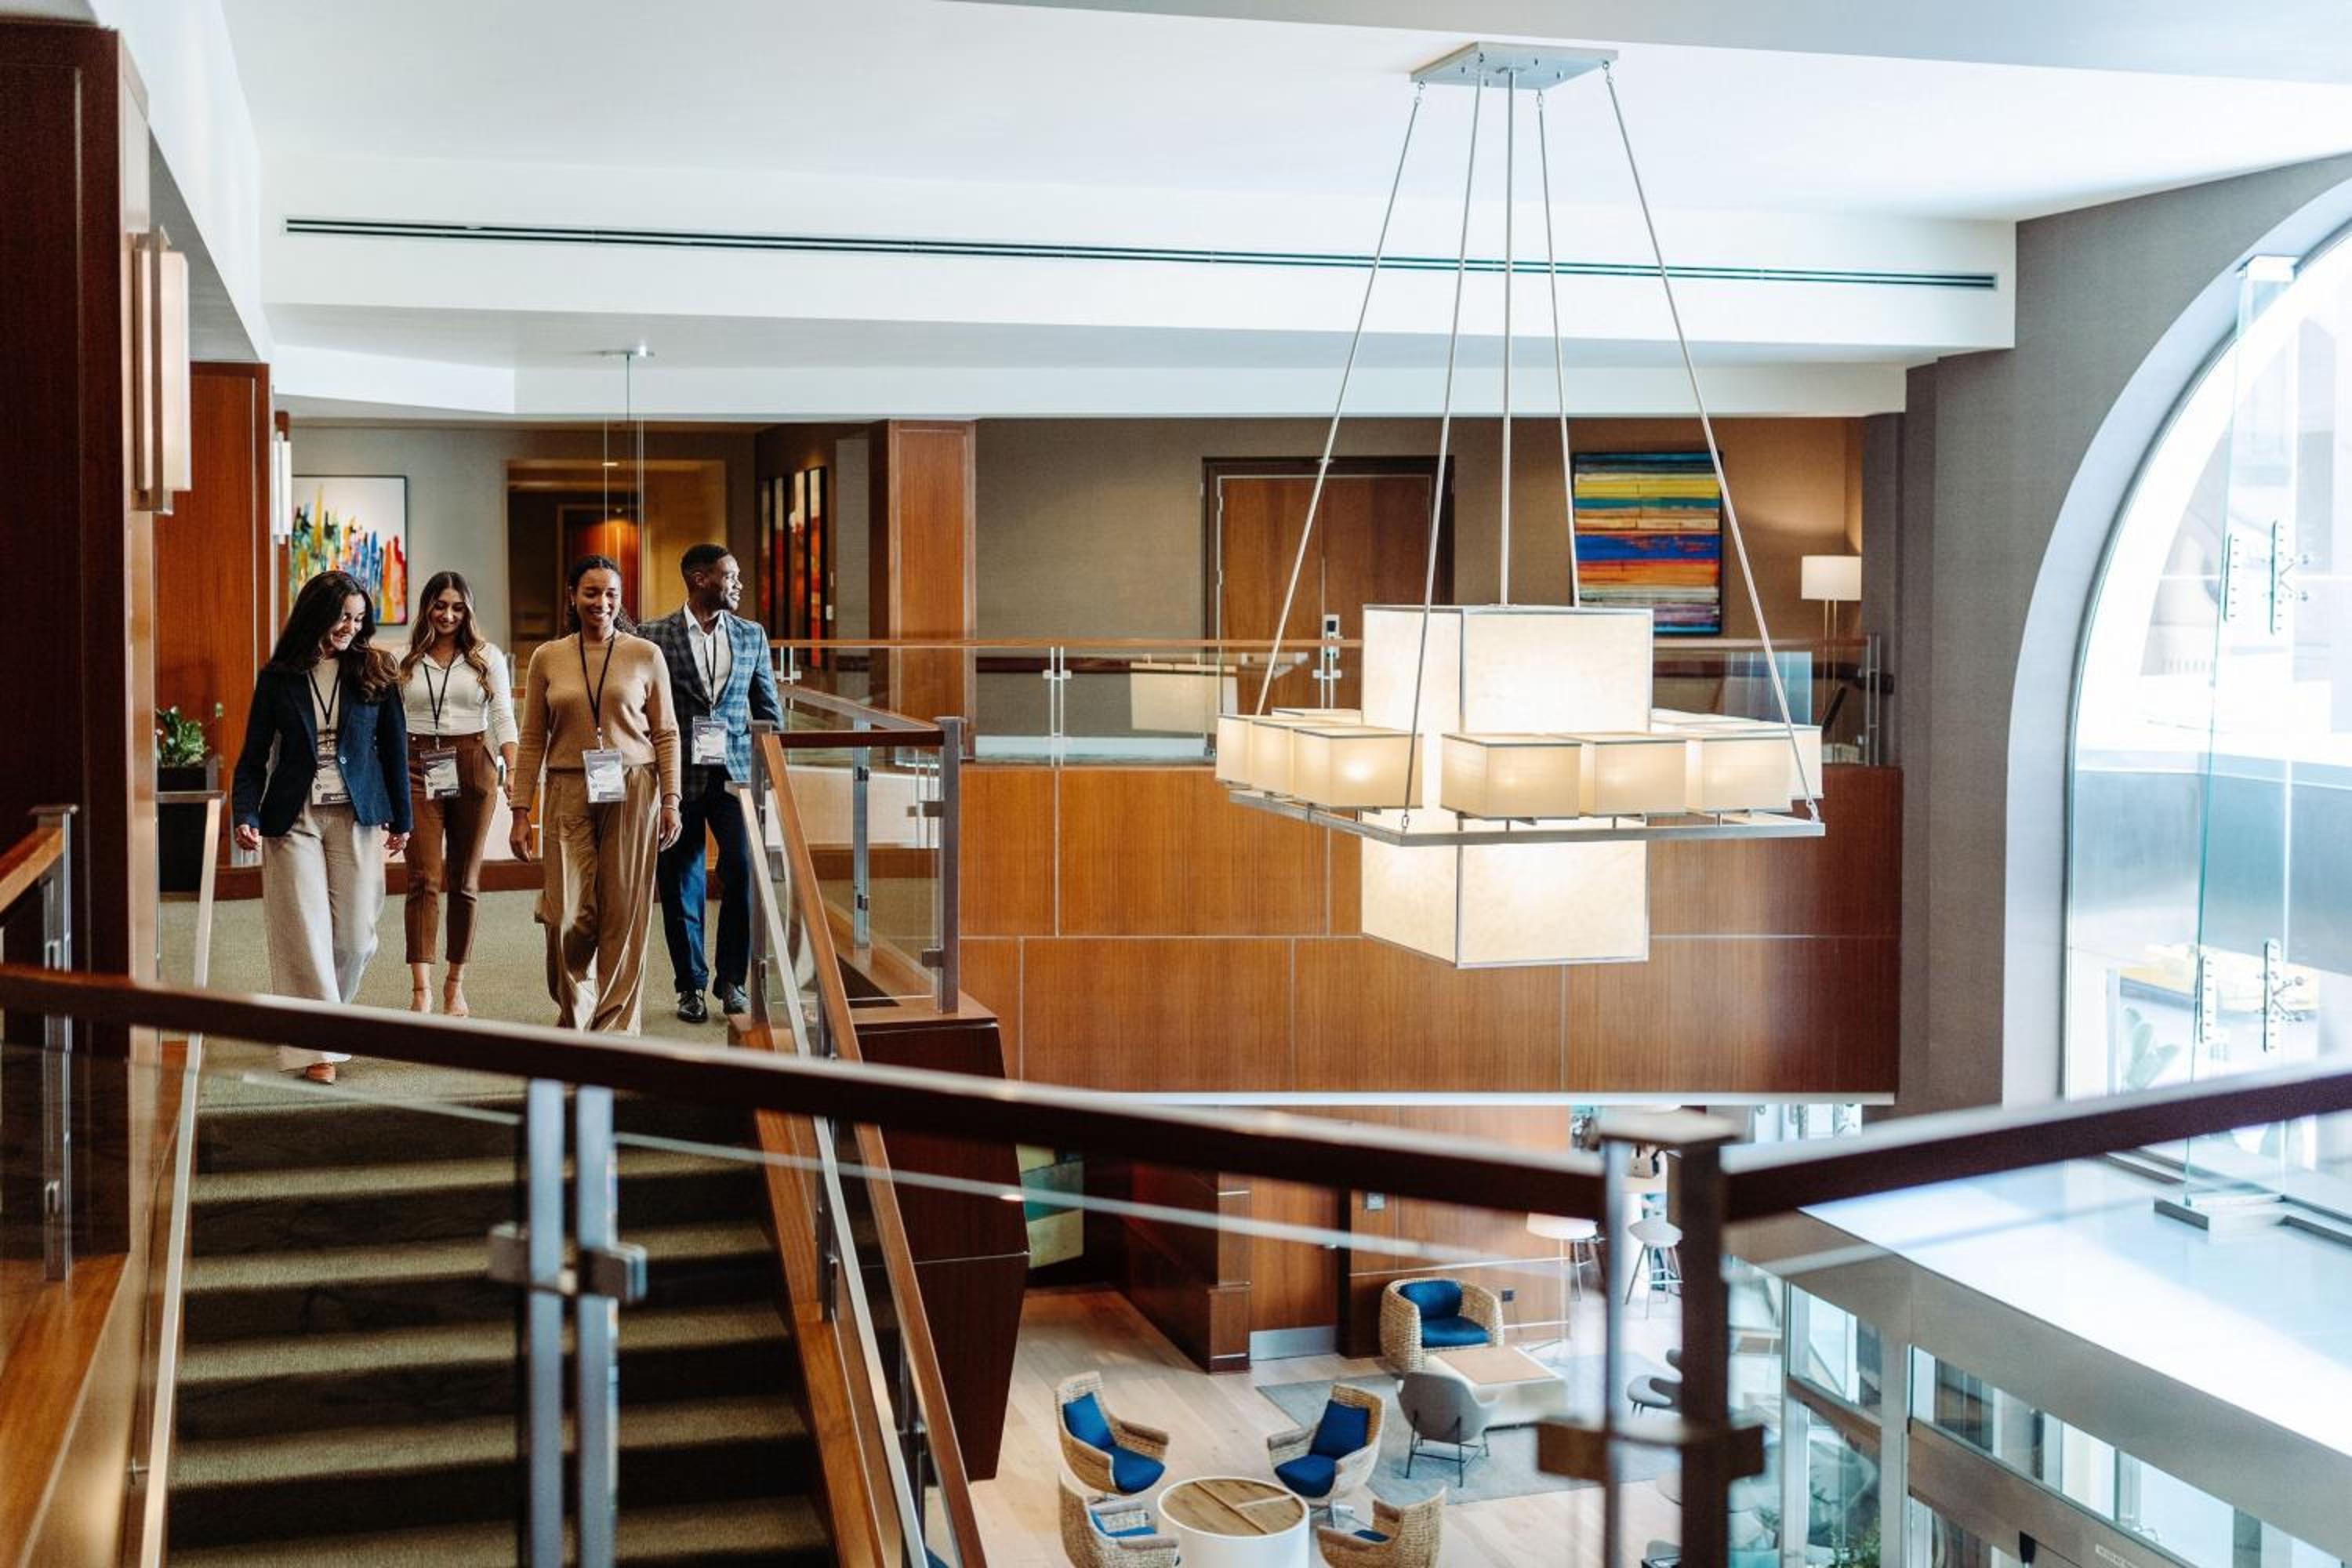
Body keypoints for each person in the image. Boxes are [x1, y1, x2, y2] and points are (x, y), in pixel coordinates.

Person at [230, 571, 412, 1082]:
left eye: (358, 618)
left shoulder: (376, 670)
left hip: (357, 813)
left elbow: (394, 749)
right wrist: (245, 814)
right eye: (342, 617)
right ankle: (319, 1049)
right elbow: (252, 758)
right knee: (305, 933)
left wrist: (403, 817)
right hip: (294, 817)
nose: (351, 627)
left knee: (355, 938)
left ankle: (322, 1023)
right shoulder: (279, 677)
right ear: (318, 615)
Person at [508, 555, 682, 1032]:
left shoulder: (646, 654)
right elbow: (531, 737)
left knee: (624, 911)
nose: (602, 603)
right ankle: (576, 1011)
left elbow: (666, 732)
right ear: (572, 596)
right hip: (567, 784)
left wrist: (671, 800)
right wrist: (520, 809)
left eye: (611, 594)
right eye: (591, 593)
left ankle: (613, 1029)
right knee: (567, 913)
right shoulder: (548, 656)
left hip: (635, 785)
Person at [642, 543, 782, 1022]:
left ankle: (732, 980)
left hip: (735, 776)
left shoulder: (751, 635)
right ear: (701, 579)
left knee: (742, 870)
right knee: (681, 881)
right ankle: (691, 985)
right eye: (731, 576)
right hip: (677, 777)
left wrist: (770, 772)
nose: (739, 584)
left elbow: (768, 709)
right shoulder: (654, 636)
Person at [397, 571, 519, 1018]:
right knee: (423, 877)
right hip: (416, 765)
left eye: (457, 607)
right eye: (440, 605)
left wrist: (513, 768)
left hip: (473, 764)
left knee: (465, 880)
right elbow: (391, 722)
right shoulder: (405, 659)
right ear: (427, 607)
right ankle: (421, 990)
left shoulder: (487, 657)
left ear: (468, 611)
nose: (448, 615)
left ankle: (455, 985)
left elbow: (503, 715)